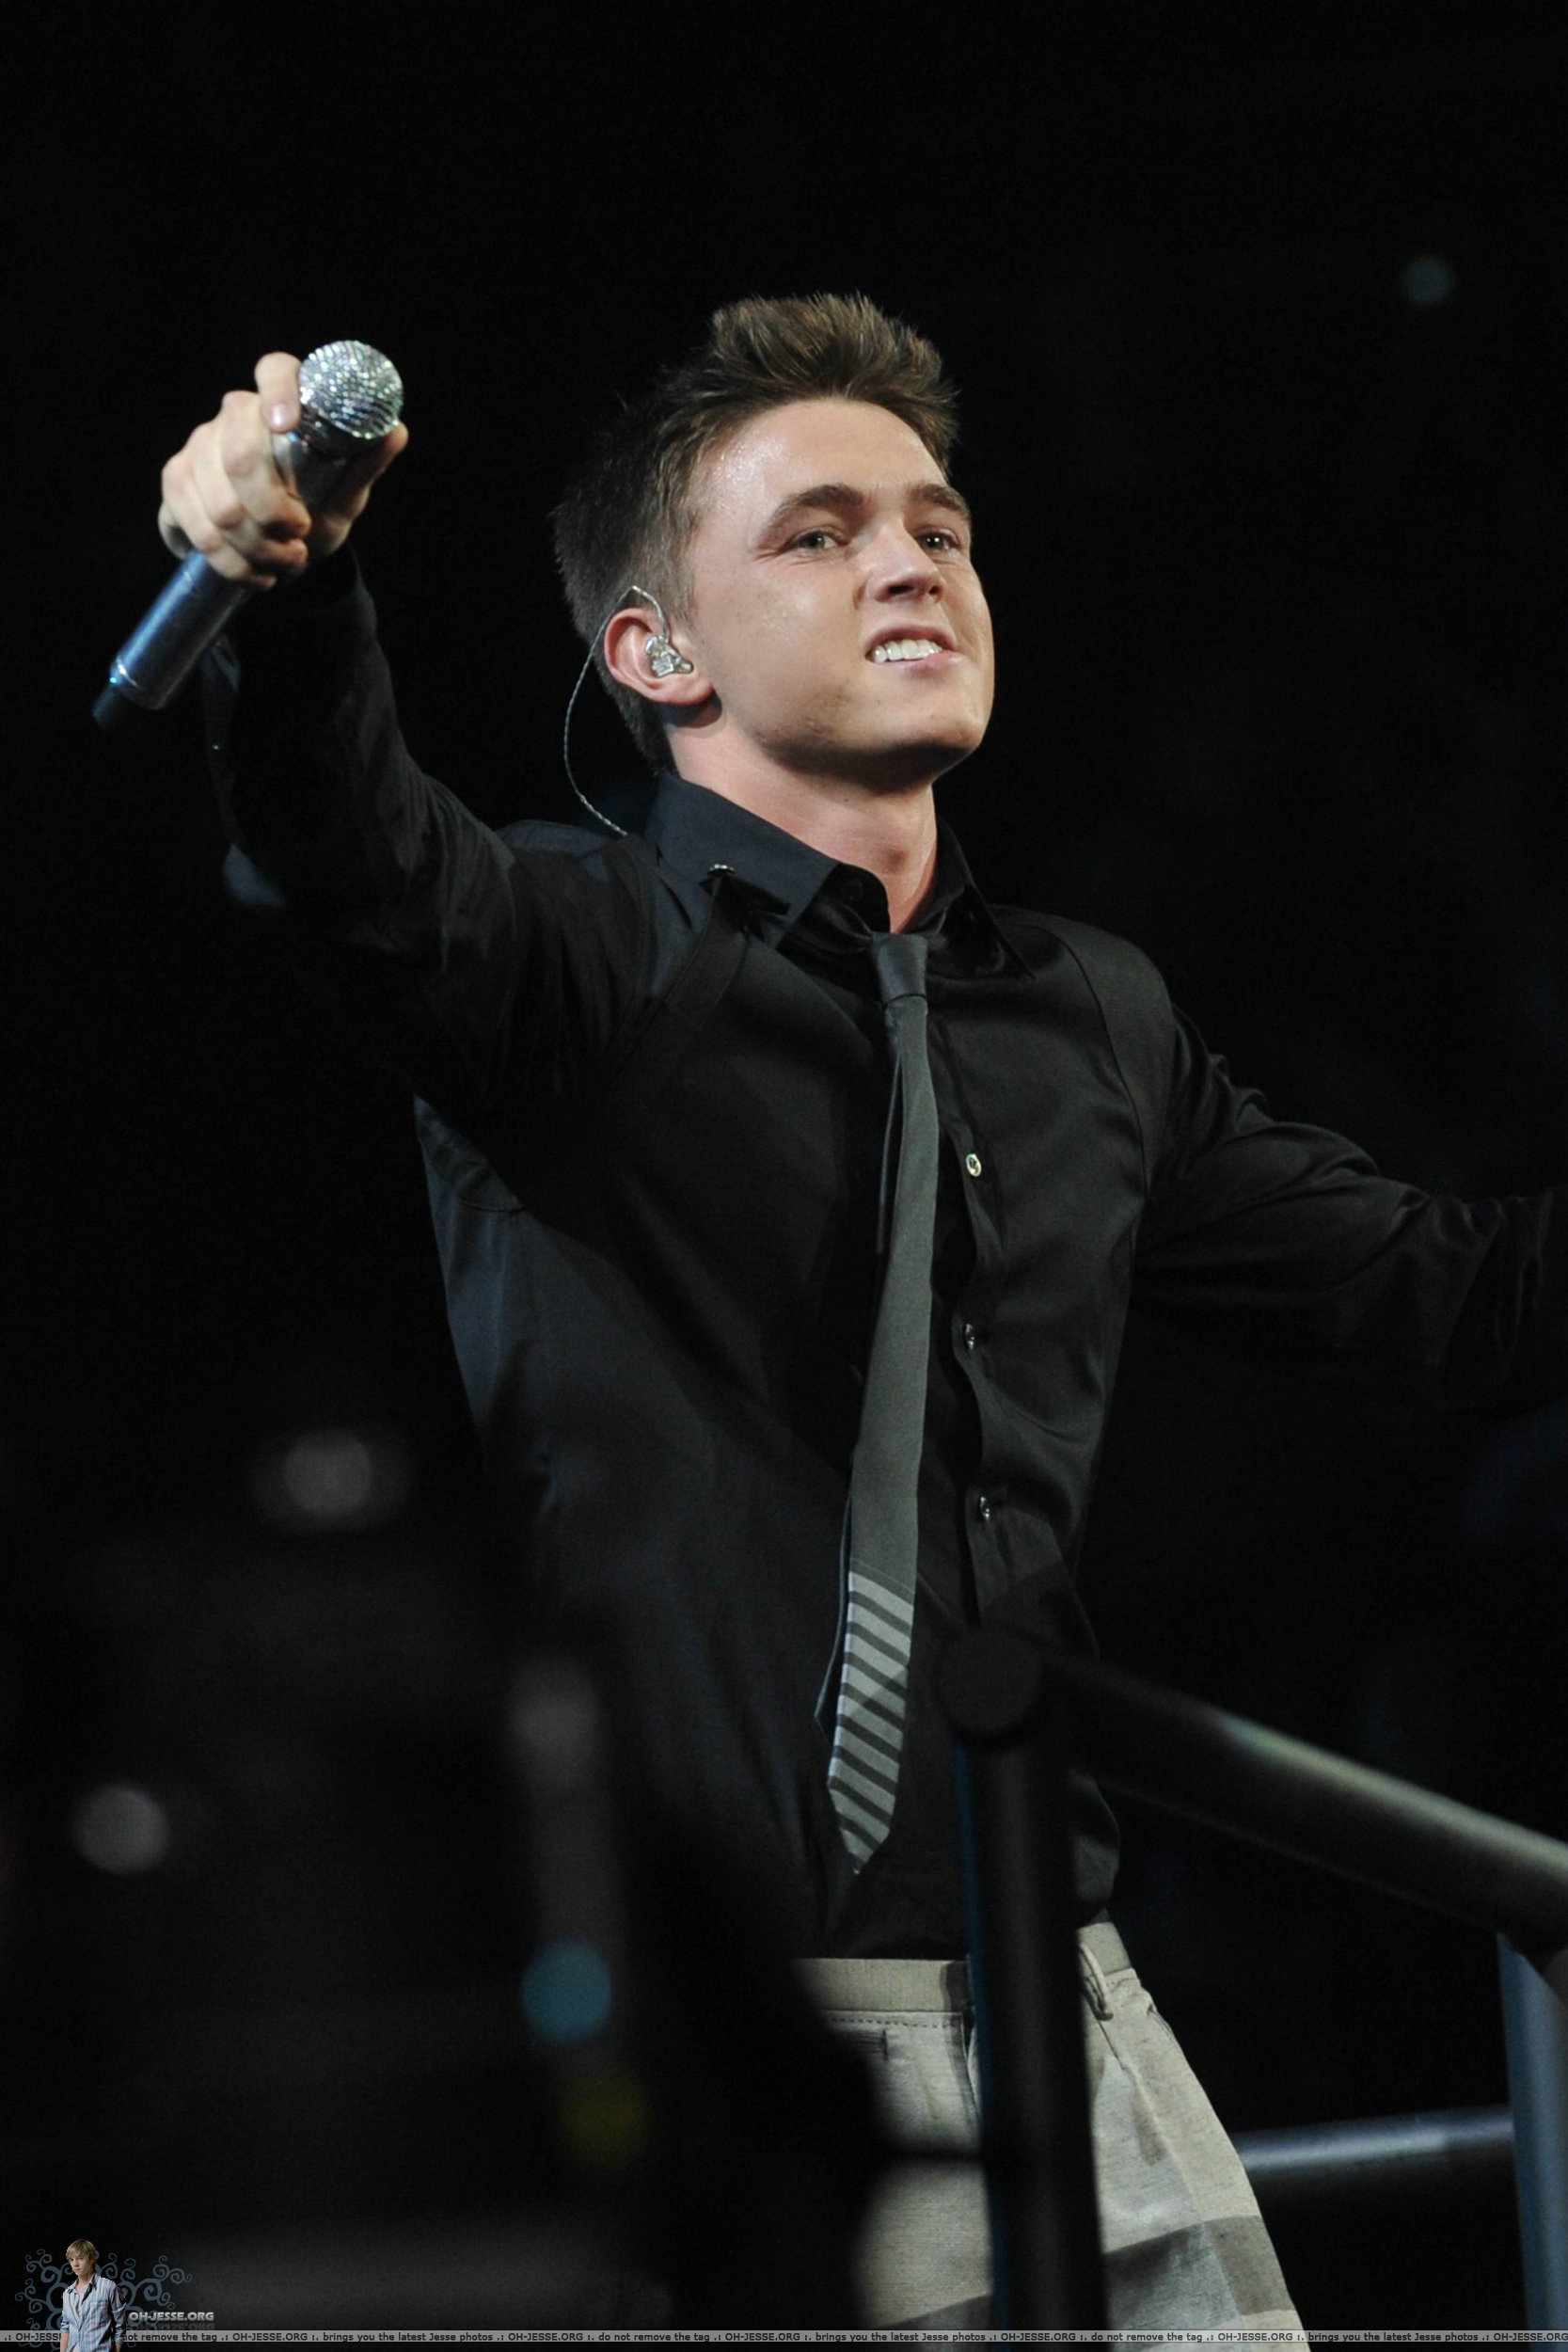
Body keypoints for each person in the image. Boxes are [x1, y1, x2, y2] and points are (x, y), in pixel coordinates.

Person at [155, 294, 1562, 2330]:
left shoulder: (1087, 1016)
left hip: (1073, 2004)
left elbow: (1444, 1300)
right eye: (816, 535)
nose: (907, 561)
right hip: (753, 2034)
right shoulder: (588, 954)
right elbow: (348, 861)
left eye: (934, 526)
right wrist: (290, 598)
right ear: (655, 653)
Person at [59, 2243, 126, 2352]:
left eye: (80, 2258)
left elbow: (120, 2326)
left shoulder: (108, 2287)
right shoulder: (68, 2293)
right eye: (71, 2259)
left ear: (91, 2259)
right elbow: (65, 2327)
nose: (75, 2264)